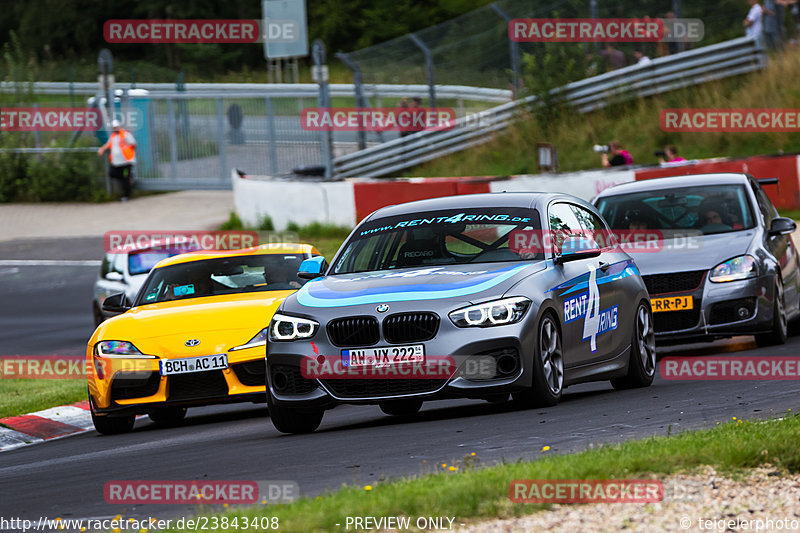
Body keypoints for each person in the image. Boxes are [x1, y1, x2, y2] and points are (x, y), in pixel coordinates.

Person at [97, 119, 137, 201]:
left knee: (125, 177)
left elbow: (134, 144)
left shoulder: (126, 134)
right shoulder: (113, 136)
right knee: (112, 173)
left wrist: (126, 147)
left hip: (126, 161)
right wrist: (102, 149)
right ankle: (130, 178)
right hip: (116, 162)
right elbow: (108, 144)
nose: (115, 129)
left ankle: (127, 195)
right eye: (114, 127)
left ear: (119, 126)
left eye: (116, 127)